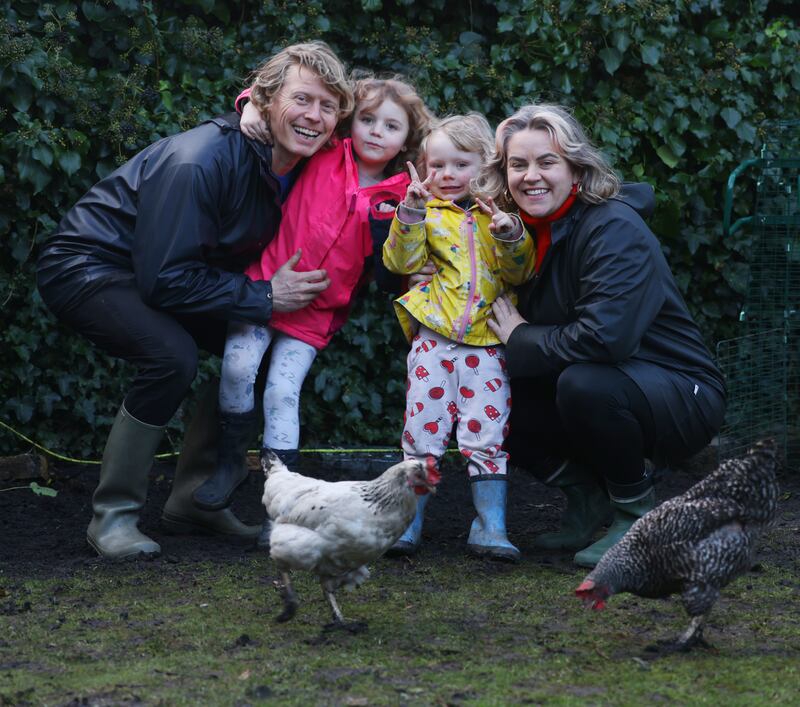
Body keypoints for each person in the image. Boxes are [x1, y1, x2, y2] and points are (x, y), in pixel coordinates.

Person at [35, 41, 354, 560]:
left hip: (166, 271)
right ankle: (112, 518)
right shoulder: (199, 160)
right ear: (266, 99)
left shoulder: (297, 160)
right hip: (89, 266)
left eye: (327, 106)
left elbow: (387, 156)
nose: (314, 117)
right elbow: (164, 281)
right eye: (302, 99)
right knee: (171, 357)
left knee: (261, 348)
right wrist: (264, 295)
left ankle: (194, 501)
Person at [480, 104, 727, 567]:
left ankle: (636, 515)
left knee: (584, 382)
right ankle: (587, 498)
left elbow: (605, 340)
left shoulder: (613, 226)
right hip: (608, 377)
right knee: (486, 388)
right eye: (518, 164)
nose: (531, 175)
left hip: (680, 391)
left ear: (576, 168)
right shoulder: (521, 236)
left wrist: (521, 336)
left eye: (546, 161)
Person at [191, 75, 433, 512]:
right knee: (237, 367)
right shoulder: (324, 152)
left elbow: (415, 243)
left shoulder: (402, 194)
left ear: (407, 140)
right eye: (367, 119)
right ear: (349, 123)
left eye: (391, 126)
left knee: (282, 393)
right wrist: (248, 102)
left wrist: (419, 224)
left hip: (316, 313)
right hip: (264, 285)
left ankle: (282, 501)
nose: (377, 131)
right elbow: (277, 110)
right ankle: (228, 465)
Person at [382, 114, 537, 562]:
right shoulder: (426, 212)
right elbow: (399, 260)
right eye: (437, 165)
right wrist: (409, 212)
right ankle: (406, 524)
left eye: (460, 164)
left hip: (487, 346)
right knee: (422, 433)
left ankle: (490, 527)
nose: (447, 175)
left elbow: (520, 271)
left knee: (486, 435)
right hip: (434, 341)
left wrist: (510, 235)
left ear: (485, 164)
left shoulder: (501, 216)